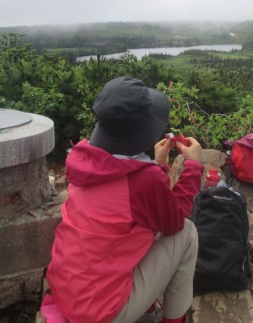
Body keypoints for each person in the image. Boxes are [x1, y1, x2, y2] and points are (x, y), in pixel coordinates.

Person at [41, 77, 204, 323]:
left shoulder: (83, 158)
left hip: (68, 293)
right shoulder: (142, 180)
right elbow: (174, 221)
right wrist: (193, 165)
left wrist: (159, 165)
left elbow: (135, 204)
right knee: (187, 234)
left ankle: (144, 306)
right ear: (143, 130)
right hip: (100, 313)